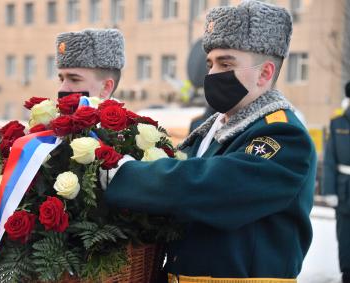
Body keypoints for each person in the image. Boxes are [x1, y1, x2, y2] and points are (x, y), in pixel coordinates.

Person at [102, 1, 317, 282]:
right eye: (210, 63)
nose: (212, 74)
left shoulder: (284, 136)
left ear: (265, 73)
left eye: (226, 63)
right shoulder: (210, 131)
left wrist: (124, 175)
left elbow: (209, 187)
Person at [0, 28, 125, 166]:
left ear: (106, 87)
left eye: (74, 79)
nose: (62, 88)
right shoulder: (49, 135)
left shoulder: (130, 142)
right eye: (61, 79)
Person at [322, 81, 350, 283]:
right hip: (345, 190)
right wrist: (329, 190)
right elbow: (330, 159)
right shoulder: (338, 123)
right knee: (346, 236)